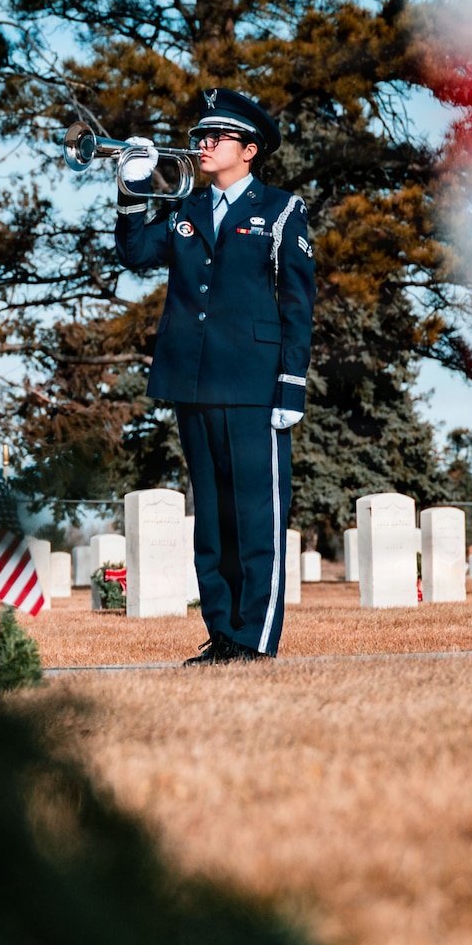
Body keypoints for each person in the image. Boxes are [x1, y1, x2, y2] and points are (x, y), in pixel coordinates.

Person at [114, 89, 315, 664]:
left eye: (216, 137)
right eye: (201, 135)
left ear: (248, 150)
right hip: (192, 380)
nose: (202, 144)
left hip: (254, 385)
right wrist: (132, 186)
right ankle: (224, 633)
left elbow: (297, 304)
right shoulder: (184, 211)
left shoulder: (280, 210)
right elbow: (134, 251)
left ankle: (255, 639)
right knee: (213, 521)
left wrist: (291, 385)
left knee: (257, 515)